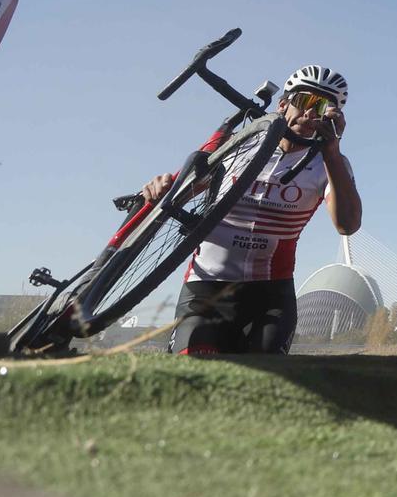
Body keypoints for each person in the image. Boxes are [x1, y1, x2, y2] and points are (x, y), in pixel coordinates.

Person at [136, 64, 362, 356]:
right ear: (283, 104)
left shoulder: (330, 165)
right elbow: (180, 194)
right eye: (305, 102)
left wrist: (331, 151)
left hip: (270, 296)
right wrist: (159, 187)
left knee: (264, 379)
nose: (310, 114)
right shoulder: (240, 147)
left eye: (323, 109)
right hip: (206, 287)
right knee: (192, 367)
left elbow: (348, 225)